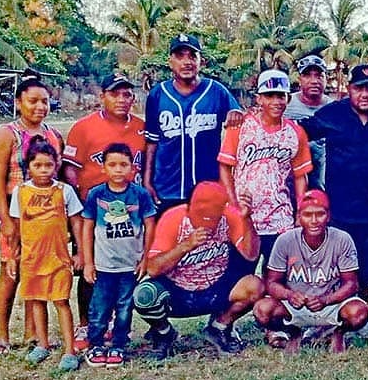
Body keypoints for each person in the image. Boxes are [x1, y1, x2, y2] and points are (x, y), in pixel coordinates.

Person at [298, 64, 368, 298]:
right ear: (349, 89)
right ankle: (334, 310)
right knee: (338, 264)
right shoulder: (333, 113)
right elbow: (298, 134)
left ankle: (363, 309)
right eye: (359, 89)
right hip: (341, 210)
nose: (365, 94)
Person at [62, 73, 146, 352]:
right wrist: (82, 199)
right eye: (115, 94)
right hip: (95, 210)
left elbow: (145, 165)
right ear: (103, 97)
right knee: (91, 268)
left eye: (126, 94)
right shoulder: (84, 127)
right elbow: (70, 168)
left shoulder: (140, 128)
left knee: (125, 269)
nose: (121, 99)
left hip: (130, 212)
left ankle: (118, 326)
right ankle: (86, 324)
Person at [133, 181, 263, 360]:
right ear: (188, 207)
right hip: (177, 289)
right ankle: (164, 333)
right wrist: (186, 245)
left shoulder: (229, 216)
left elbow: (251, 254)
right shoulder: (173, 218)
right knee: (144, 295)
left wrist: (247, 220)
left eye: (213, 212)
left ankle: (218, 328)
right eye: (201, 212)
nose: (207, 218)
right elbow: (153, 269)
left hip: (215, 287)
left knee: (255, 286)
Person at [0, 70, 64, 355]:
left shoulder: (54, 136)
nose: (40, 107)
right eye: (33, 101)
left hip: (45, 219)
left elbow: (61, 179)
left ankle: (34, 333)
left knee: (38, 271)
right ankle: (2, 336)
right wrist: (7, 220)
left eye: (44, 101)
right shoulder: (6, 136)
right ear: (19, 102)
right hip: (16, 214)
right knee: (11, 271)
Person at [253, 190, 368, 354]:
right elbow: (271, 282)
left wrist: (326, 300)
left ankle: (338, 332)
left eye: (320, 214)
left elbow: (351, 283)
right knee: (262, 310)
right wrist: (289, 295)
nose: (314, 221)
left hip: (331, 303)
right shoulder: (285, 240)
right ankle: (293, 332)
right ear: (299, 217)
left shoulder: (342, 239)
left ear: (328, 216)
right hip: (296, 305)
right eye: (307, 215)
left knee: (358, 313)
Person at [218, 69, 312, 271]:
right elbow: (225, 167)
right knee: (240, 277)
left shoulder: (295, 132)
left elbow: (300, 176)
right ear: (259, 99)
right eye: (270, 96)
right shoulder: (241, 126)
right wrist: (233, 204)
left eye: (281, 96)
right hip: (245, 215)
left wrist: (300, 211)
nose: (276, 101)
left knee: (278, 277)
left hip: (280, 217)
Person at [143, 33, 243, 214]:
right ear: (170, 61)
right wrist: (147, 180)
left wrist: (236, 114)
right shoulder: (158, 94)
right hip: (166, 187)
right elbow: (151, 143)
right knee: (169, 238)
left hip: (207, 184)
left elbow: (238, 118)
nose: (186, 61)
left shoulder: (217, 91)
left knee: (207, 240)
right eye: (180, 56)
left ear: (201, 61)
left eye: (192, 56)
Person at [6, 137, 83, 371]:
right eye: (37, 165)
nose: (43, 170)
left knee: (61, 302)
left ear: (56, 165)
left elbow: (77, 223)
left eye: (48, 165)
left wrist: (80, 253)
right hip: (31, 259)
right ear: (28, 166)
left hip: (58, 258)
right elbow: (16, 229)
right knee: (36, 301)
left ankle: (70, 351)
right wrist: (12, 255)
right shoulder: (20, 193)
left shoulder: (64, 191)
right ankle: (42, 344)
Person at [81, 143, 157, 368]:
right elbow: (87, 227)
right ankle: (95, 344)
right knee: (100, 307)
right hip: (103, 266)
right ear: (103, 167)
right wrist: (88, 262)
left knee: (125, 307)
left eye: (123, 165)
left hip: (129, 266)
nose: (118, 170)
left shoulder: (140, 194)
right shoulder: (96, 194)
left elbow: (150, 225)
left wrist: (145, 258)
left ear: (132, 168)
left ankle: (118, 345)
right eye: (112, 165)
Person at [285, 55, 333, 190]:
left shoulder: (335, 109)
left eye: (319, 76)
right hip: (287, 184)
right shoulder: (284, 105)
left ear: (325, 79)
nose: (314, 81)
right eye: (307, 76)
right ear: (299, 80)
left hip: (322, 186)